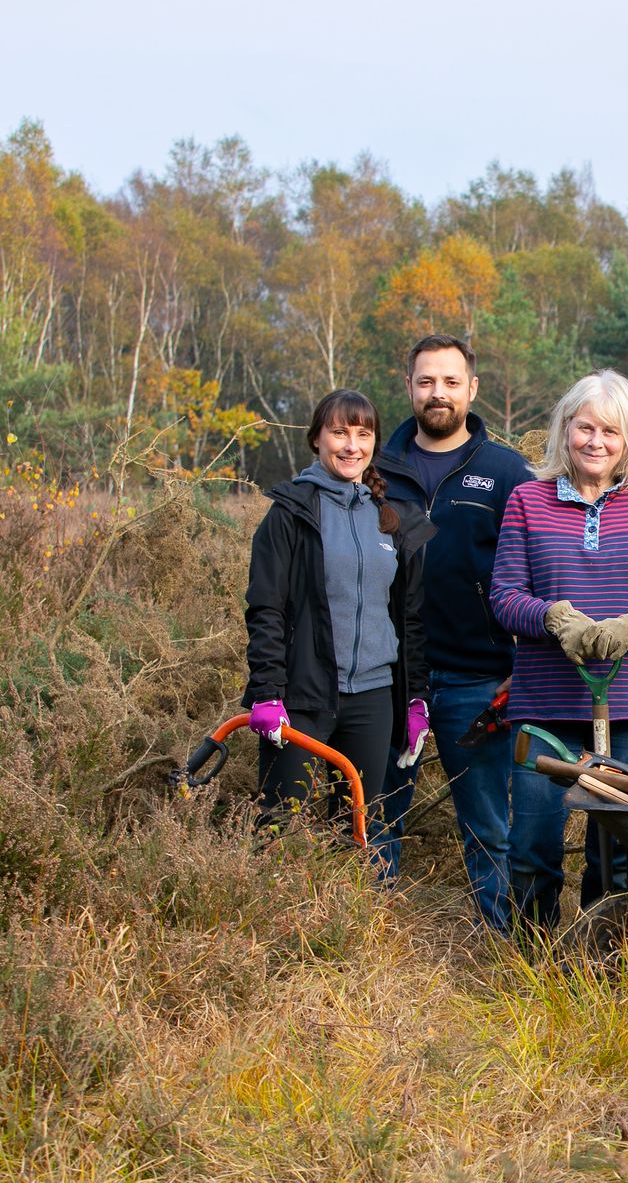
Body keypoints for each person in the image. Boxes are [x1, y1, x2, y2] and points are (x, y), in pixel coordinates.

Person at [491, 370, 628, 926]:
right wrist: (554, 617)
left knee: (617, 847)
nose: (596, 441)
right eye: (585, 427)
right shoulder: (528, 500)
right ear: (565, 429)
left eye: (610, 430)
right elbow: (505, 597)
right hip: (544, 701)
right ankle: (533, 958)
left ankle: (604, 956)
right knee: (533, 840)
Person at [374, 333, 535, 925]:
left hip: (479, 678)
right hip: (389, 677)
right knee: (378, 817)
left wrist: (523, 671)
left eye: (449, 382)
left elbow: (538, 578)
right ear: (409, 387)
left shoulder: (508, 473)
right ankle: (371, 948)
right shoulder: (375, 468)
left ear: (471, 388)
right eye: (425, 382)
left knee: (488, 824)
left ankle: (499, 947)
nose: (436, 393)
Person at [242, 388, 436, 841]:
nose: (352, 445)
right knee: (277, 826)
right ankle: (267, 910)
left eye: (363, 434)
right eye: (339, 433)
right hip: (303, 696)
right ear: (316, 439)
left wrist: (414, 698)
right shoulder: (291, 513)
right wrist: (268, 691)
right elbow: (266, 608)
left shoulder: (390, 519)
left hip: (373, 698)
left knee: (355, 830)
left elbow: (408, 619)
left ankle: (343, 913)